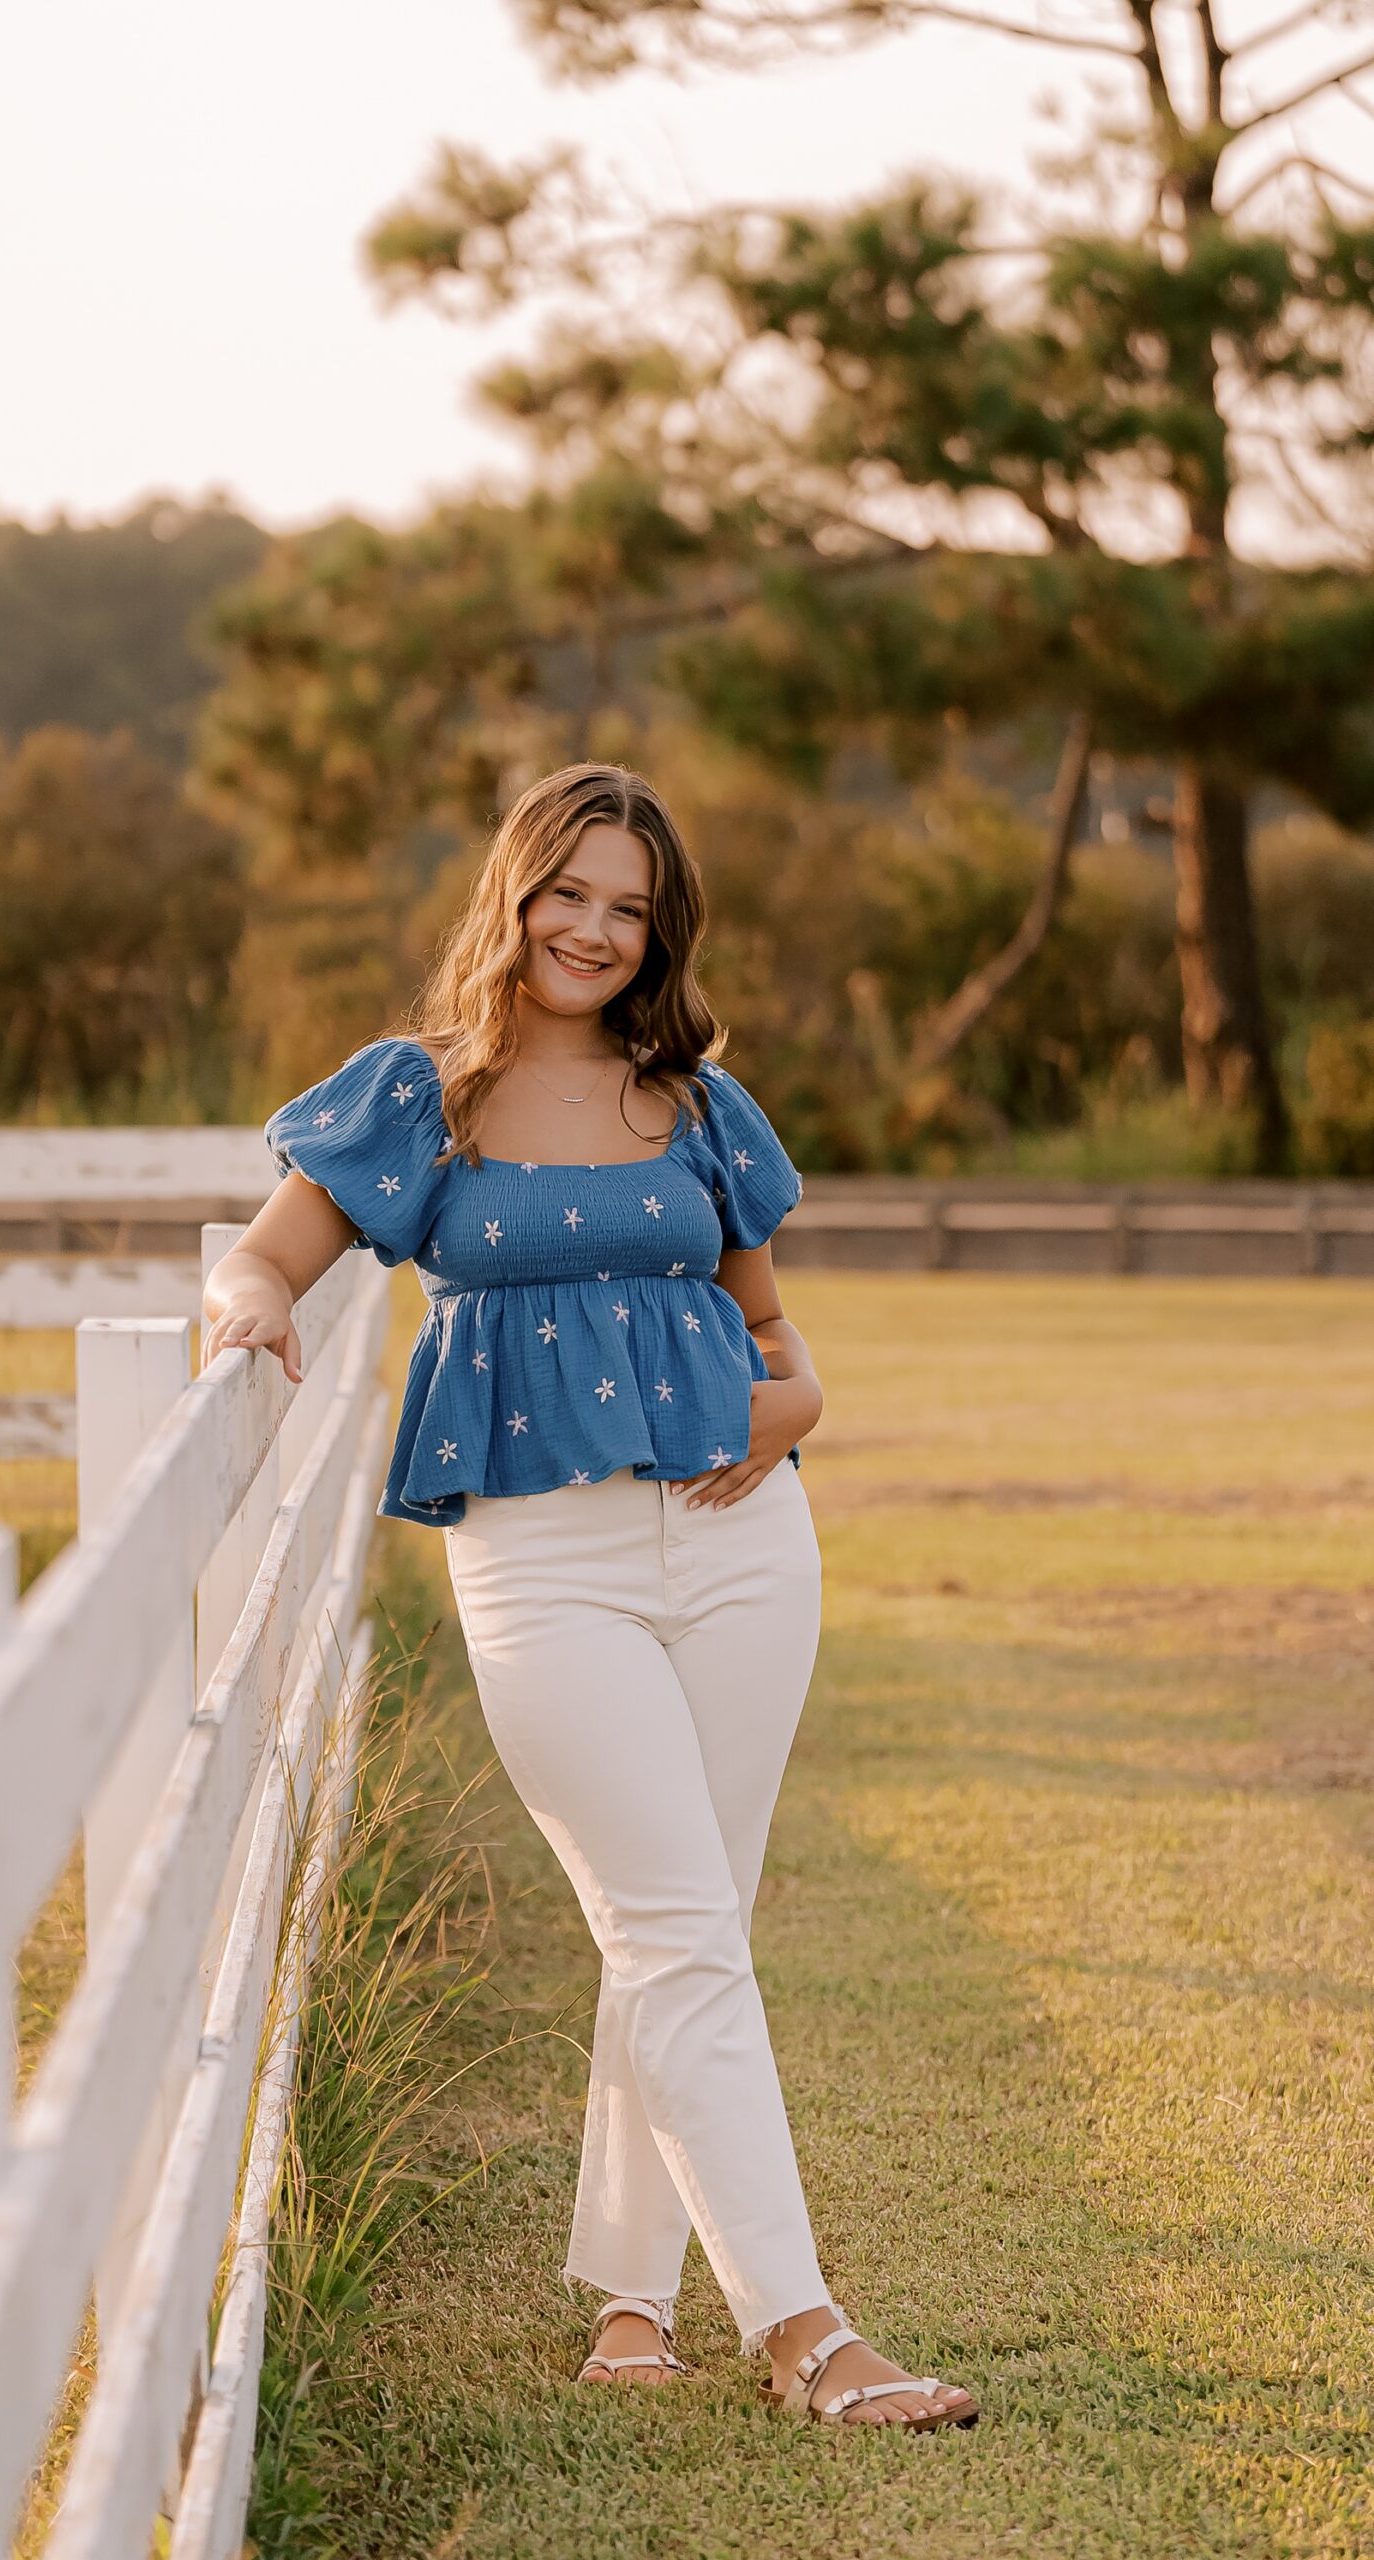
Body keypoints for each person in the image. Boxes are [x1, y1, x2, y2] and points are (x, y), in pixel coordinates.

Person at [203, 763, 978, 2432]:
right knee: (676, 1925)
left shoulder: (696, 1103)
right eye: (570, 893)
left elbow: (773, 1332)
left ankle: (633, 2298)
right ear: (514, 891)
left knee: (689, 1920)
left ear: (659, 931)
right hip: (541, 1561)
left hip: (740, 1541)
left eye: (629, 910)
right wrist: (243, 1305)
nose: (594, 933)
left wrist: (800, 1401)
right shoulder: (416, 1098)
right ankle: (807, 2334)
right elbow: (269, 1254)